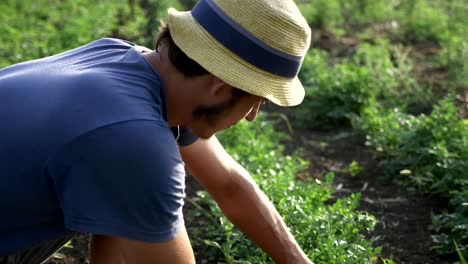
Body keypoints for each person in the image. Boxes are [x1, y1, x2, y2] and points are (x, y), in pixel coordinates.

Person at [0, 0, 311, 263]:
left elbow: (228, 184)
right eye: (255, 101)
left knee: (121, 195)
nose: (251, 117)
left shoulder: (123, 58)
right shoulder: (133, 139)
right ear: (221, 87)